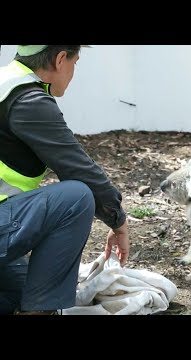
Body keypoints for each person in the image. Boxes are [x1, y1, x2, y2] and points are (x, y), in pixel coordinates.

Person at [0, 45, 130, 315]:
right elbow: (79, 169)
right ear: (61, 59)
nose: (73, 72)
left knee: (23, 289)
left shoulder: (5, 82)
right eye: (75, 62)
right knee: (77, 197)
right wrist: (119, 221)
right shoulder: (27, 100)